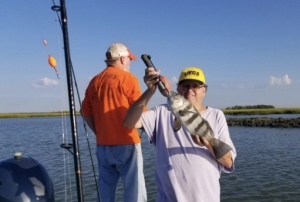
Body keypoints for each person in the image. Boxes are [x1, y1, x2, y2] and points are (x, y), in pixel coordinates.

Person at [123, 66, 237, 202]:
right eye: (185, 86)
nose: (189, 90)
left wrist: (208, 144)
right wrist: (150, 91)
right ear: (178, 89)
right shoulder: (161, 112)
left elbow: (229, 162)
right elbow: (129, 123)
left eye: (195, 86)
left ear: (204, 90)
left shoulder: (216, 115)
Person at [81, 42, 147, 202]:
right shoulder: (128, 78)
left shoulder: (94, 82)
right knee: (135, 191)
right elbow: (141, 109)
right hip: (127, 143)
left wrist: (99, 132)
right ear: (123, 59)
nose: (130, 63)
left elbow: (85, 111)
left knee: (105, 191)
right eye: (129, 59)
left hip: (103, 145)